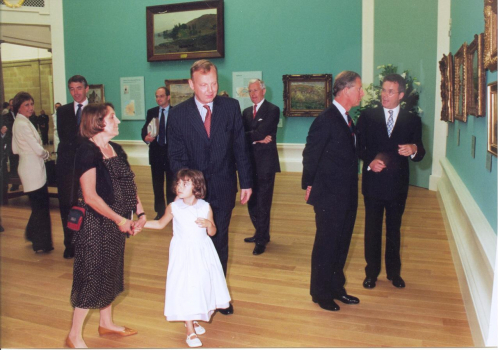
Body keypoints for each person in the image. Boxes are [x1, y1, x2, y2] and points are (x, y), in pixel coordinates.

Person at [168, 59, 252, 315]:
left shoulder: (230, 107)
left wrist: (246, 182)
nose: (210, 90)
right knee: (195, 247)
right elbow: (176, 156)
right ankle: (198, 297)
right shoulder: (179, 114)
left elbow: (240, 147)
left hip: (224, 187)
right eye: (204, 85)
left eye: (214, 83)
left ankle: (219, 297)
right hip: (192, 196)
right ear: (191, 84)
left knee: (219, 240)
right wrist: (188, 190)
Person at [66, 102, 146, 349]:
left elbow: (128, 184)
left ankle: (106, 323)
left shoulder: (116, 149)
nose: (118, 121)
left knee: (110, 270)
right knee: (92, 275)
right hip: (95, 225)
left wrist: (139, 212)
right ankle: (73, 335)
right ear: (97, 122)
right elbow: (90, 196)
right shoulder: (87, 152)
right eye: (113, 117)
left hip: (116, 224)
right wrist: (121, 219)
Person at [145, 169, 230, 348]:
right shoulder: (174, 208)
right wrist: (139, 224)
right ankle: (189, 330)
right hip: (183, 254)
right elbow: (160, 224)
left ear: (197, 187)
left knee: (200, 285)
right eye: (178, 183)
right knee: (185, 287)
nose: (179, 187)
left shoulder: (205, 207)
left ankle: (192, 319)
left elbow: (213, 231)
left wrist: (209, 224)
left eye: (185, 183)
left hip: (202, 253)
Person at [302, 71, 364, 312]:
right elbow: (310, 154)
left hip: (347, 193)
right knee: (327, 244)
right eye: (359, 88)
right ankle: (320, 292)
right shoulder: (326, 119)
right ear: (346, 90)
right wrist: (308, 185)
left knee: (342, 243)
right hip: (329, 194)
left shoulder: (348, 119)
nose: (361, 93)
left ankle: (337, 288)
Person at [356, 73, 425, 290]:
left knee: (394, 229)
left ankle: (394, 273)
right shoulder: (367, 116)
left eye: (391, 91)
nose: (385, 95)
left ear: (401, 95)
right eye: (383, 90)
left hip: (397, 185)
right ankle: (371, 273)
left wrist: (414, 149)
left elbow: (421, 151)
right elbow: (359, 148)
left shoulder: (412, 120)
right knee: (372, 229)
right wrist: (370, 163)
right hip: (373, 182)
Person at [241, 79, 280, 255]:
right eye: (250, 91)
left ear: (263, 91)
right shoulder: (246, 112)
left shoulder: (272, 110)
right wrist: (257, 138)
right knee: (251, 201)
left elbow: (260, 131)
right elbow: (242, 135)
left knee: (263, 202)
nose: (253, 94)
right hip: (249, 163)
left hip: (266, 164)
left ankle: (262, 239)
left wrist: (255, 136)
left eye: (256, 90)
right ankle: (260, 232)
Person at [11, 92, 53, 252]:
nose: (30, 108)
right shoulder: (22, 124)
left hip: (30, 167)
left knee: (39, 204)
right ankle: (40, 244)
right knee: (40, 205)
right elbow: (37, 149)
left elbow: (15, 149)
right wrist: (47, 154)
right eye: (26, 105)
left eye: (31, 104)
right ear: (18, 108)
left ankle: (32, 234)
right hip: (31, 169)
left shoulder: (22, 122)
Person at [57, 75, 89, 259]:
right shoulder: (63, 111)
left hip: (87, 165)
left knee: (87, 204)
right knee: (67, 204)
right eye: (72, 89)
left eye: (78, 88)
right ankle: (69, 244)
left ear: (86, 88)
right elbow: (65, 138)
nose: (75, 92)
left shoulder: (94, 110)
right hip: (67, 166)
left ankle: (86, 243)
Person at [141, 87, 175, 220]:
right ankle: (160, 212)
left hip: (170, 154)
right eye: (156, 96)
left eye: (161, 96)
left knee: (172, 185)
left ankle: (171, 212)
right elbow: (145, 129)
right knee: (157, 185)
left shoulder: (175, 112)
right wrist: (145, 138)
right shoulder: (152, 112)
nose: (158, 99)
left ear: (168, 97)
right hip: (156, 153)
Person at [3, 99, 20, 191]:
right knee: (13, 164)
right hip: (11, 143)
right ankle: (15, 184)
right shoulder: (5, 117)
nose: (12, 107)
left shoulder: (21, 115)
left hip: (21, 143)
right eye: (10, 105)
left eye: (13, 105)